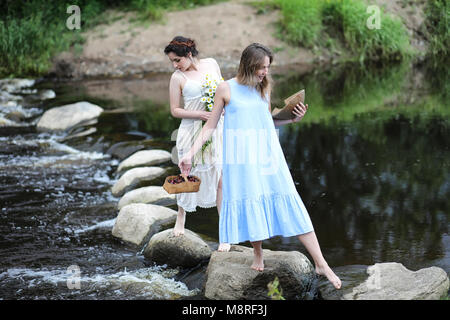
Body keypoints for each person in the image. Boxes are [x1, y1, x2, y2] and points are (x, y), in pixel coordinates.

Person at [179, 43, 342, 289]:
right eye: (261, 67)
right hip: (241, 158)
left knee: (291, 201)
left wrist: (292, 118)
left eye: (267, 67)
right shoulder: (226, 88)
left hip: (269, 156)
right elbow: (211, 125)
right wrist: (191, 153)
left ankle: (321, 263)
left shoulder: (263, 88)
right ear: (248, 65)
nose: (265, 72)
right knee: (250, 199)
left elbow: (267, 122)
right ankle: (258, 253)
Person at [164, 36, 231, 252]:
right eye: (172, 61)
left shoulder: (211, 64)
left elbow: (224, 91)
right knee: (186, 174)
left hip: (216, 129)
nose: (175, 65)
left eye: (177, 60)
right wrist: (201, 114)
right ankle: (181, 217)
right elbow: (175, 110)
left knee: (220, 178)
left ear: (189, 54)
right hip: (191, 129)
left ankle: (225, 233)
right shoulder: (177, 78)